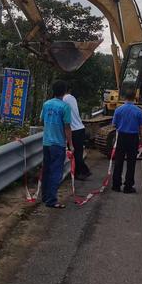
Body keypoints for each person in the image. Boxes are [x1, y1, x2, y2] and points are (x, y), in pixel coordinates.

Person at [40, 80, 74, 209]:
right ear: (65, 92)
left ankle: (45, 196)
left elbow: (42, 120)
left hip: (46, 143)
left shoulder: (46, 104)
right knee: (56, 172)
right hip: (58, 144)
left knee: (47, 170)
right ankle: (52, 200)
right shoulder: (65, 107)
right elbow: (67, 127)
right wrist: (71, 144)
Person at [112, 89, 142, 194]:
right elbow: (141, 127)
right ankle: (128, 186)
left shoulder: (118, 109)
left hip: (121, 136)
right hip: (133, 138)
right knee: (131, 163)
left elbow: (114, 125)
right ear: (134, 98)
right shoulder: (139, 111)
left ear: (124, 98)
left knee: (118, 161)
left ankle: (116, 185)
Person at [63, 86, 91, 181]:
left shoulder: (64, 99)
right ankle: (80, 172)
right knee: (78, 152)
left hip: (73, 130)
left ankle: (83, 171)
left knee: (76, 154)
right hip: (80, 128)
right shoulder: (72, 98)